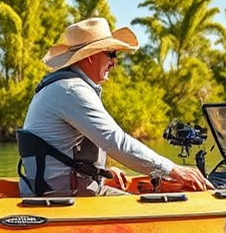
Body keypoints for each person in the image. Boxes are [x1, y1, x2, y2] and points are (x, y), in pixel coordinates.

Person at [18, 17, 211, 197]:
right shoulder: (72, 90)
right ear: (91, 56)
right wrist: (173, 169)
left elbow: (65, 150)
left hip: (49, 189)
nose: (114, 63)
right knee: (152, 206)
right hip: (61, 197)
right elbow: (116, 142)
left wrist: (101, 172)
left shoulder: (62, 86)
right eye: (111, 54)